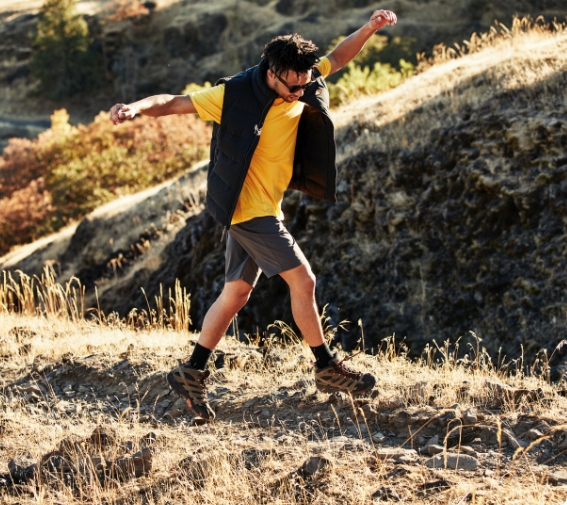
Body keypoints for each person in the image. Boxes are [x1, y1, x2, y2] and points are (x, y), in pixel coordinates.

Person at [110, 9, 397, 421]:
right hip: (248, 210)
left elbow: (338, 56)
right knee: (304, 279)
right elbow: (173, 102)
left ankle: (192, 371)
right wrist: (135, 108)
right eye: (293, 87)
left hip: (263, 205)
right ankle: (326, 368)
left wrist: (369, 28)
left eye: (305, 85)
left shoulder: (302, 78)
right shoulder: (235, 95)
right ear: (272, 72)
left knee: (236, 293)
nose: (300, 92)